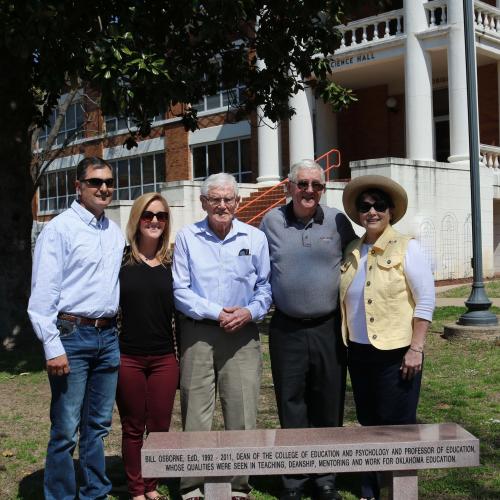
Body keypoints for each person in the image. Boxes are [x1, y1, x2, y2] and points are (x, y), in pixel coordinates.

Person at [28, 156, 125, 500]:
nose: (104, 188)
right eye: (95, 182)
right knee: (66, 429)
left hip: (107, 337)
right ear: (78, 186)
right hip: (72, 335)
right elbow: (42, 295)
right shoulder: (60, 229)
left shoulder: (113, 232)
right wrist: (52, 346)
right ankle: (60, 495)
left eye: (109, 182)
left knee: (98, 426)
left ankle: (95, 492)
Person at [260, 159, 357, 500]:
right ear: (289, 187)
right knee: (291, 403)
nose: (310, 191)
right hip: (286, 328)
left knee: (328, 402)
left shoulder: (337, 221)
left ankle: (326, 477)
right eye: (303, 184)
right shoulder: (270, 221)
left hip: (328, 328)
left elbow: (359, 257)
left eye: (317, 185)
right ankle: (294, 479)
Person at [172, 172, 272, 500]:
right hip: (199, 334)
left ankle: (238, 485)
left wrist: (250, 312)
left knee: (242, 412)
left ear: (238, 202)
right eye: (214, 199)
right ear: (203, 202)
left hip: (243, 335)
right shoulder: (188, 237)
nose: (222, 205)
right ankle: (191, 486)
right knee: (196, 412)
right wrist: (217, 313)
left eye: (228, 198)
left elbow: (265, 288)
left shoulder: (255, 238)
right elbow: (180, 290)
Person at [340, 175, 435, 500]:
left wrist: (416, 349)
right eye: (365, 206)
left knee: (398, 424)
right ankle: (369, 489)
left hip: (397, 352)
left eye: (379, 205)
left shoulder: (409, 247)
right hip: (359, 351)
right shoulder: (353, 250)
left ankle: (400, 489)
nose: (372, 211)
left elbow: (425, 300)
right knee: (368, 422)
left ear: (391, 211)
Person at [116, 193, 179, 500]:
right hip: (128, 357)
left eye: (161, 216)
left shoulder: (173, 262)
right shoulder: (121, 260)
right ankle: (136, 489)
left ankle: (152, 486)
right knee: (132, 426)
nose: (155, 221)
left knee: (159, 427)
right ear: (137, 219)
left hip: (164, 359)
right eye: (148, 215)